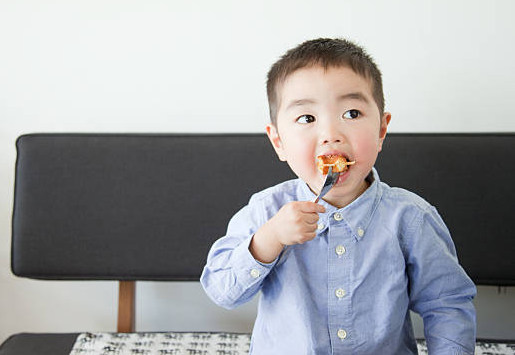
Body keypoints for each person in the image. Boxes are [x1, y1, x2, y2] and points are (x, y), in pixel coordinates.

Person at [200, 38, 476, 354]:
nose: (331, 133)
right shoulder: (266, 212)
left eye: (352, 113)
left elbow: (447, 304)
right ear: (278, 141)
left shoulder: (411, 217)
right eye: (307, 118)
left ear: (381, 131)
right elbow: (221, 291)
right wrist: (269, 240)